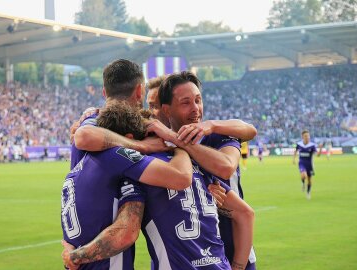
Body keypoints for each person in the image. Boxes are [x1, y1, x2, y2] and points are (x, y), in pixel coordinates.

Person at [62, 101, 254, 270]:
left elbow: (126, 231)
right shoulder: (193, 165)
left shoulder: (132, 173)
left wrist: (74, 256)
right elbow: (245, 214)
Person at [61, 102, 193, 270]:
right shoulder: (118, 157)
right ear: (130, 138)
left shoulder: (82, 164)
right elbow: (181, 177)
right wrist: (178, 147)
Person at [154, 71, 257, 270]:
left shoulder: (217, 136)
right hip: (185, 259)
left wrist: (210, 125)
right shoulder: (160, 152)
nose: (196, 109)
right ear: (167, 110)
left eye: (198, 100)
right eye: (186, 103)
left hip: (235, 252)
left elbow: (226, 165)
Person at [70, 59, 168, 170]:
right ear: (139, 90)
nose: (151, 111)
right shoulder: (92, 122)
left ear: (104, 92)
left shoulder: (92, 120)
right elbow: (84, 136)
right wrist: (143, 146)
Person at [293, 130, 318, 200]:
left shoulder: (312, 145)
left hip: (310, 164)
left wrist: (321, 149)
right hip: (302, 163)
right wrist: (293, 159)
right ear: (302, 137)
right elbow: (295, 151)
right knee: (304, 175)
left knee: (309, 180)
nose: (307, 137)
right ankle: (303, 183)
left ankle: (308, 192)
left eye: (308, 136)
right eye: (305, 136)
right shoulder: (299, 144)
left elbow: (317, 155)